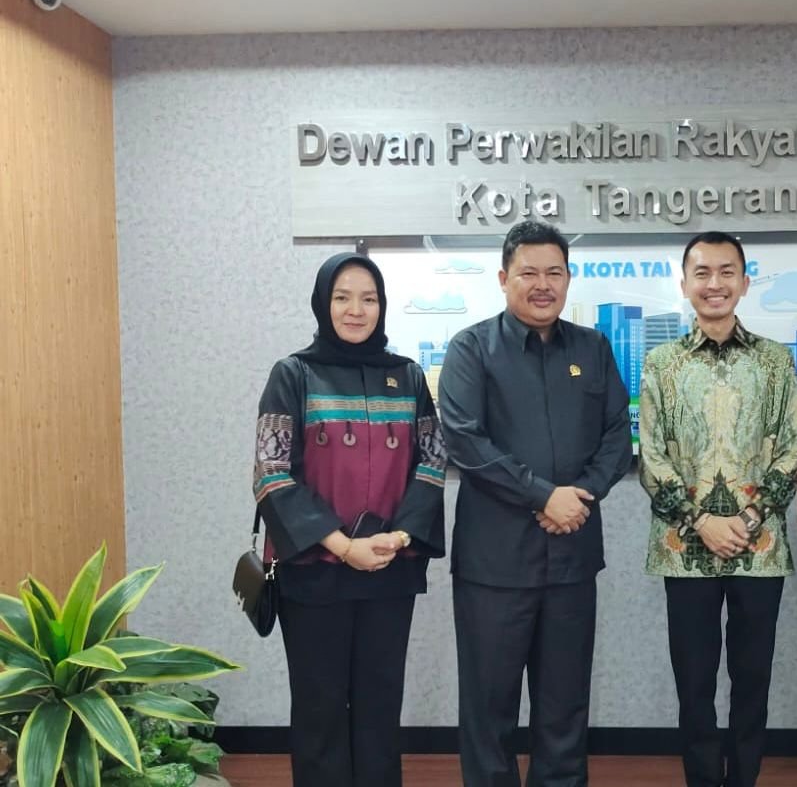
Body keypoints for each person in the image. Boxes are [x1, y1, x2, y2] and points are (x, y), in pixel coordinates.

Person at [439, 221, 633, 787]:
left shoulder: (593, 348)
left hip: (572, 559)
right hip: (494, 566)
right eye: (529, 273)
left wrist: (580, 495)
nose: (542, 284)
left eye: (554, 272)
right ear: (504, 279)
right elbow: (465, 441)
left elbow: (617, 436)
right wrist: (544, 495)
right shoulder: (471, 348)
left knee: (565, 707)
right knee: (489, 709)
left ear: (569, 279)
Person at [252, 252, 446, 787]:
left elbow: (432, 461)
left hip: (390, 568)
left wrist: (397, 537)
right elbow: (270, 471)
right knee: (319, 710)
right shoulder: (293, 374)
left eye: (368, 298)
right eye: (342, 297)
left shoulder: (407, 376)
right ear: (323, 303)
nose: (356, 310)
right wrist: (342, 545)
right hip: (314, 572)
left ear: (382, 306)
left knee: (380, 709)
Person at [639, 231, 797, 787]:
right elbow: (651, 456)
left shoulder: (775, 361)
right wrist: (701, 522)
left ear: (744, 281)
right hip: (684, 550)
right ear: (685, 283)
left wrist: (749, 520)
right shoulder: (662, 363)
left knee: (752, 679)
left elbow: (794, 448)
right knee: (694, 683)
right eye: (703, 273)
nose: (715, 284)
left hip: (759, 550)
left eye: (726, 272)